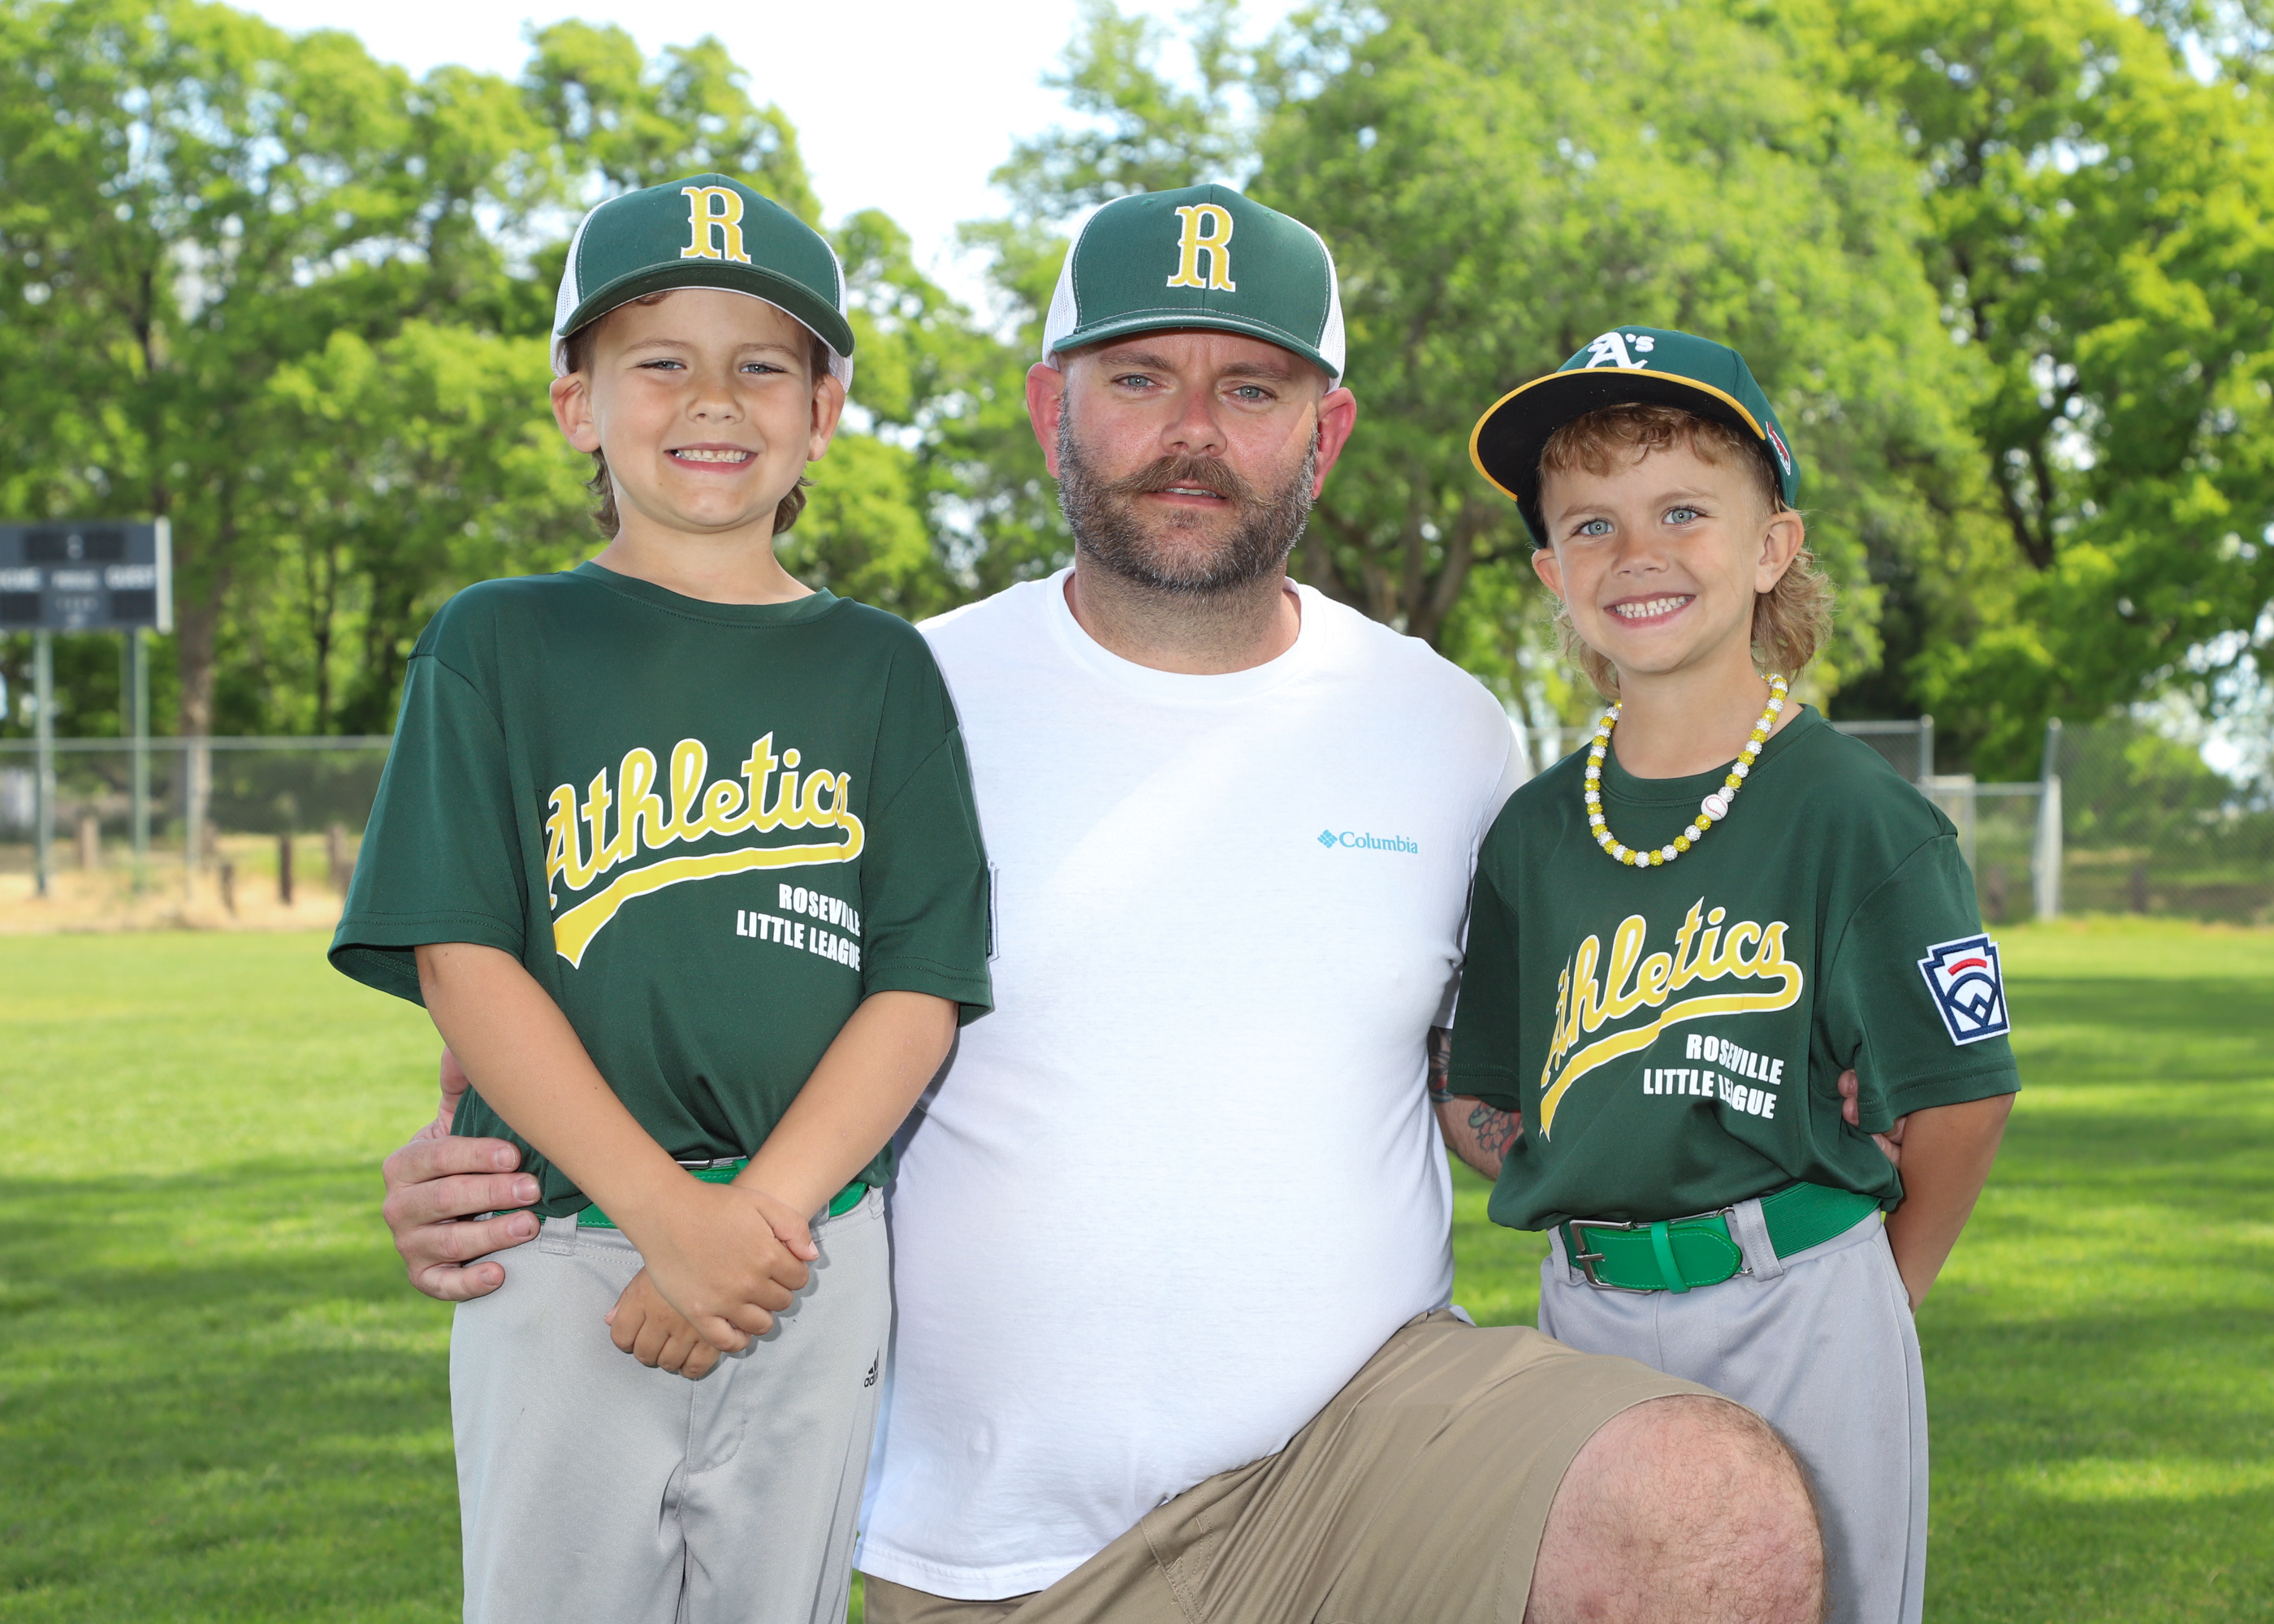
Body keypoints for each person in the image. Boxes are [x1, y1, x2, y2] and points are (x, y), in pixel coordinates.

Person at [383, 187, 1827, 1622]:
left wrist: (1794, 1093)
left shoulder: (1446, 726)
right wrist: (483, 1176)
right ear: (1049, 410)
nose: (1192, 429)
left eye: (1249, 387)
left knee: (1702, 1509)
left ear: (1324, 431)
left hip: (1356, 1455)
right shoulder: (888, 691)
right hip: (971, 1526)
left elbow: (1495, 1077)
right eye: (1138, 378)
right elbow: (654, 976)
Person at [330, 172, 994, 1624]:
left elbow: (920, 984)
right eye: (659, 361)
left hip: (808, 1243)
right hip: (563, 1239)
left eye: (762, 366)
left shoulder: (882, 669)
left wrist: (751, 1219)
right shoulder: (499, 641)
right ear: (578, 403)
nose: (712, 399)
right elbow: (462, 958)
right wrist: (665, 1217)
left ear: (823, 412)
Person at [1448, 326, 2021, 1624]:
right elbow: (1478, 1095)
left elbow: (1965, 1095)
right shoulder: (1534, 831)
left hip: (1802, 1300)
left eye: (1684, 511)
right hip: (1585, 1309)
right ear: (1551, 571)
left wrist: (1879, 1290)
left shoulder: (1857, 815)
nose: (1636, 553)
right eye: (1590, 525)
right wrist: (1586, 1139)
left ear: (1773, 546)